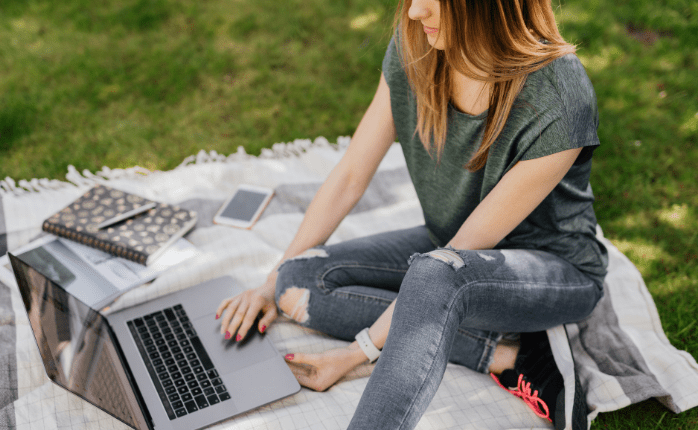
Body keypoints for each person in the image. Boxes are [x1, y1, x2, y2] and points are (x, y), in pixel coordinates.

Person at [216, 0, 608, 428]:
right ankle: (511, 355)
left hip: (554, 270)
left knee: (436, 274)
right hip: (448, 247)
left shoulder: (559, 93)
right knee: (297, 281)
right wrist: (269, 283)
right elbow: (350, 175)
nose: (416, 11)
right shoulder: (417, 47)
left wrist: (354, 354)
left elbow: (458, 255)